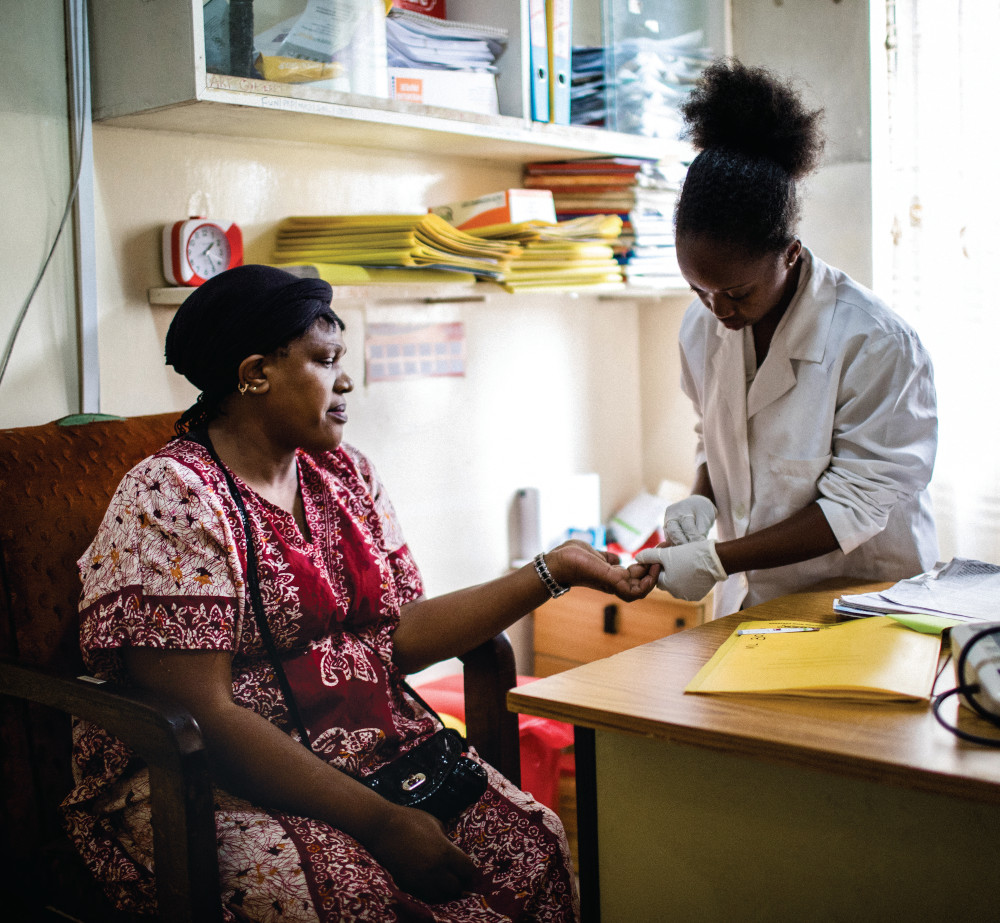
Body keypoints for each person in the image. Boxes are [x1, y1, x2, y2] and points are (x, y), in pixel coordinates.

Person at [61, 264, 660, 922]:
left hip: (367, 745)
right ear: (255, 372)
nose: (346, 380)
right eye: (324, 360)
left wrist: (554, 570)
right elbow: (201, 712)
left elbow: (396, 635)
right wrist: (379, 822)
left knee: (534, 844)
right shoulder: (171, 497)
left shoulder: (342, 474)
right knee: (356, 900)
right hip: (209, 779)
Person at [636, 59, 938, 618]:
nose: (717, 309)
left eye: (737, 292)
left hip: (863, 604)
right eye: (699, 288)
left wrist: (717, 558)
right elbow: (720, 440)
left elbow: (855, 505)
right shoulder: (700, 327)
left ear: (791, 252)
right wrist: (700, 499)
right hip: (753, 606)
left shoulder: (876, 344)